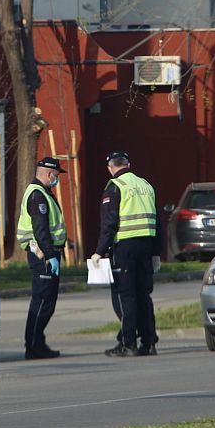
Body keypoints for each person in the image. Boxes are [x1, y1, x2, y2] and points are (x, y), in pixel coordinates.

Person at [90, 151, 162, 357]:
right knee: (143, 295)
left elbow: (109, 223)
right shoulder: (146, 185)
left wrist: (99, 252)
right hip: (146, 246)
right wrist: (157, 252)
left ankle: (127, 343)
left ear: (110, 168)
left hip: (124, 248)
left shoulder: (114, 187)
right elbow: (158, 222)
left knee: (125, 296)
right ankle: (148, 342)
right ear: (128, 164)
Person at [15, 156, 68, 360]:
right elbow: (40, 229)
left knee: (47, 301)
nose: (57, 179)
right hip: (42, 255)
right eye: (56, 175)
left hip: (47, 253)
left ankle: (38, 342)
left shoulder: (42, 193)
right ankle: (34, 346)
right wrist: (50, 255)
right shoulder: (38, 196)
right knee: (42, 300)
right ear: (48, 174)